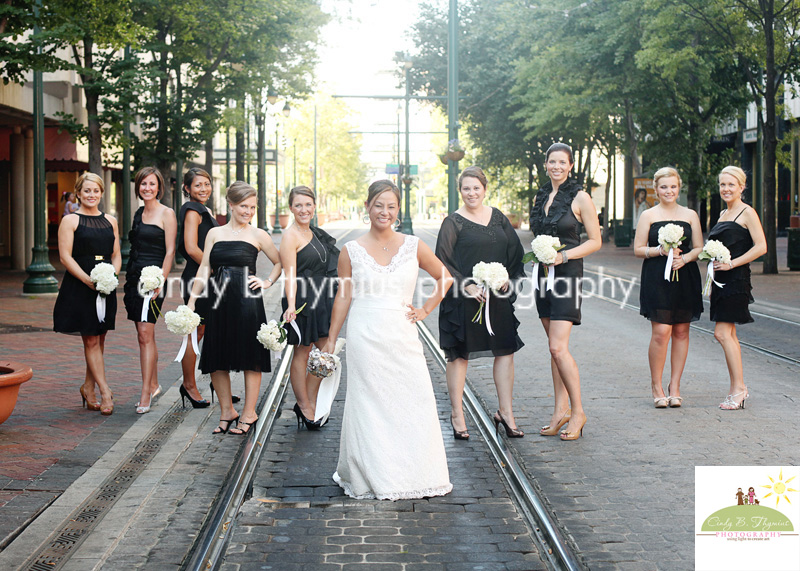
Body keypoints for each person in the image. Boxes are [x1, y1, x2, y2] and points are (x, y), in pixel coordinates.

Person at [322, 180, 453, 500]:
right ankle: (374, 472)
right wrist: (331, 338)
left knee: (413, 399)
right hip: (365, 335)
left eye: (391, 206)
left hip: (402, 335)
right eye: (379, 205)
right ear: (367, 206)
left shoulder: (413, 244)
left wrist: (425, 309)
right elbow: (344, 295)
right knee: (368, 404)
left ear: (398, 209)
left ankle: (416, 472)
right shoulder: (350, 250)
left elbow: (445, 277)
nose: (385, 211)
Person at [435, 166, 526, 440]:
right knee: (460, 356)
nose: (471, 193)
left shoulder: (498, 218)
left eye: (476, 188)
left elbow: (515, 253)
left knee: (505, 352)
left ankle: (506, 413)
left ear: (484, 189)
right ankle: (457, 414)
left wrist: (508, 278)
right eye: (466, 188)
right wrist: (466, 285)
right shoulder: (453, 222)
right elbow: (442, 262)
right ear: (459, 191)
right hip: (464, 302)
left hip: (496, 298)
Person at [188, 181, 282, 435]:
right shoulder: (215, 234)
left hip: (247, 302)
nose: (248, 212)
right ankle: (227, 410)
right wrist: (191, 301)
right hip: (218, 301)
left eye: (252, 207)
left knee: (251, 358)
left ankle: (249, 412)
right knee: (217, 358)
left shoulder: (259, 234)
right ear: (231, 204)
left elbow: (279, 263)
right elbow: (205, 268)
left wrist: (267, 282)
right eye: (243, 206)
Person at [530, 143, 601, 441]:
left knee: (559, 347)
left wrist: (564, 256)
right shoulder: (542, 195)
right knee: (553, 348)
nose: (557, 166)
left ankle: (578, 411)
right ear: (545, 164)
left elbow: (595, 241)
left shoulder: (580, 197)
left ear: (571, 165)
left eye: (563, 162)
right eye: (552, 161)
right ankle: (560, 411)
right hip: (542, 275)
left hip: (567, 274)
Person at [633, 167, 703, 409]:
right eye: (664, 187)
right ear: (656, 189)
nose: (669, 191)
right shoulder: (648, 215)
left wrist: (684, 259)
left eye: (673, 186)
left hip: (685, 276)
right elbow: (638, 249)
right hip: (656, 277)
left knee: (682, 332)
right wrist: (660, 251)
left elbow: (698, 247)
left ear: (678, 187)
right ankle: (656, 386)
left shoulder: (691, 214)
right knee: (662, 332)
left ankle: (675, 387)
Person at [53, 172, 121, 416]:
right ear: (78, 193)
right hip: (80, 286)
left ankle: (88, 387)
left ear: (102, 193)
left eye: (96, 191)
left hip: (105, 286)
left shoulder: (111, 221)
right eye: (87, 191)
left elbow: (116, 254)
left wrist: (112, 276)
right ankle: (105, 391)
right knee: (91, 339)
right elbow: (65, 256)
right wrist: (87, 280)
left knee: (99, 339)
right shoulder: (70, 221)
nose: (91, 195)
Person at [280, 186, 339, 429]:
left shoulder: (314, 232)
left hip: (322, 299)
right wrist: (292, 305)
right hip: (302, 299)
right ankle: (304, 404)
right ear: (291, 208)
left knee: (327, 351)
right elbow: (290, 275)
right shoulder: (290, 235)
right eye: (298, 205)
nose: (304, 210)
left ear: (314, 206)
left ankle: (309, 399)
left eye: (308, 205)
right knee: (302, 352)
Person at [708, 166, 766, 410]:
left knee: (722, 333)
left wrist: (732, 263)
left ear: (742, 187)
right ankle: (738, 387)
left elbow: (761, 246)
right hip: (720, 281)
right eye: (722, 185)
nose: (726, 189)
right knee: (728, 334)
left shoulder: (747, 212)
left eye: (731, 185)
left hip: (736, 280)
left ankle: (739, 389)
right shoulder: (722, 213)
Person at [123, 167, 176, 414]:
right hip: (134, 277)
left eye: (151, 184)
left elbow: (170, 252)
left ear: (159, 187)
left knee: (145, 333)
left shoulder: (167, 213)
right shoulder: (138, 213)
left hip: (153, 281)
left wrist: (160, 281)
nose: (147, 188)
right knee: (144, 335)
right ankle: (154, 384)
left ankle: (145, 392)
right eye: (143, 184)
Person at [177, 168, 217, 409]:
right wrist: (211, 268)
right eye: (198, 185)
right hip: (198, 277)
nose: (203, 189)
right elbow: (191, 247)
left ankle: (216, 384)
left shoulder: (203, 209)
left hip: (206, 276)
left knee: (209, 332)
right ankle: (189, 385)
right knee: (195, 333)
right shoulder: (192, 210)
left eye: (207, 184)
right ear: (187, 188)